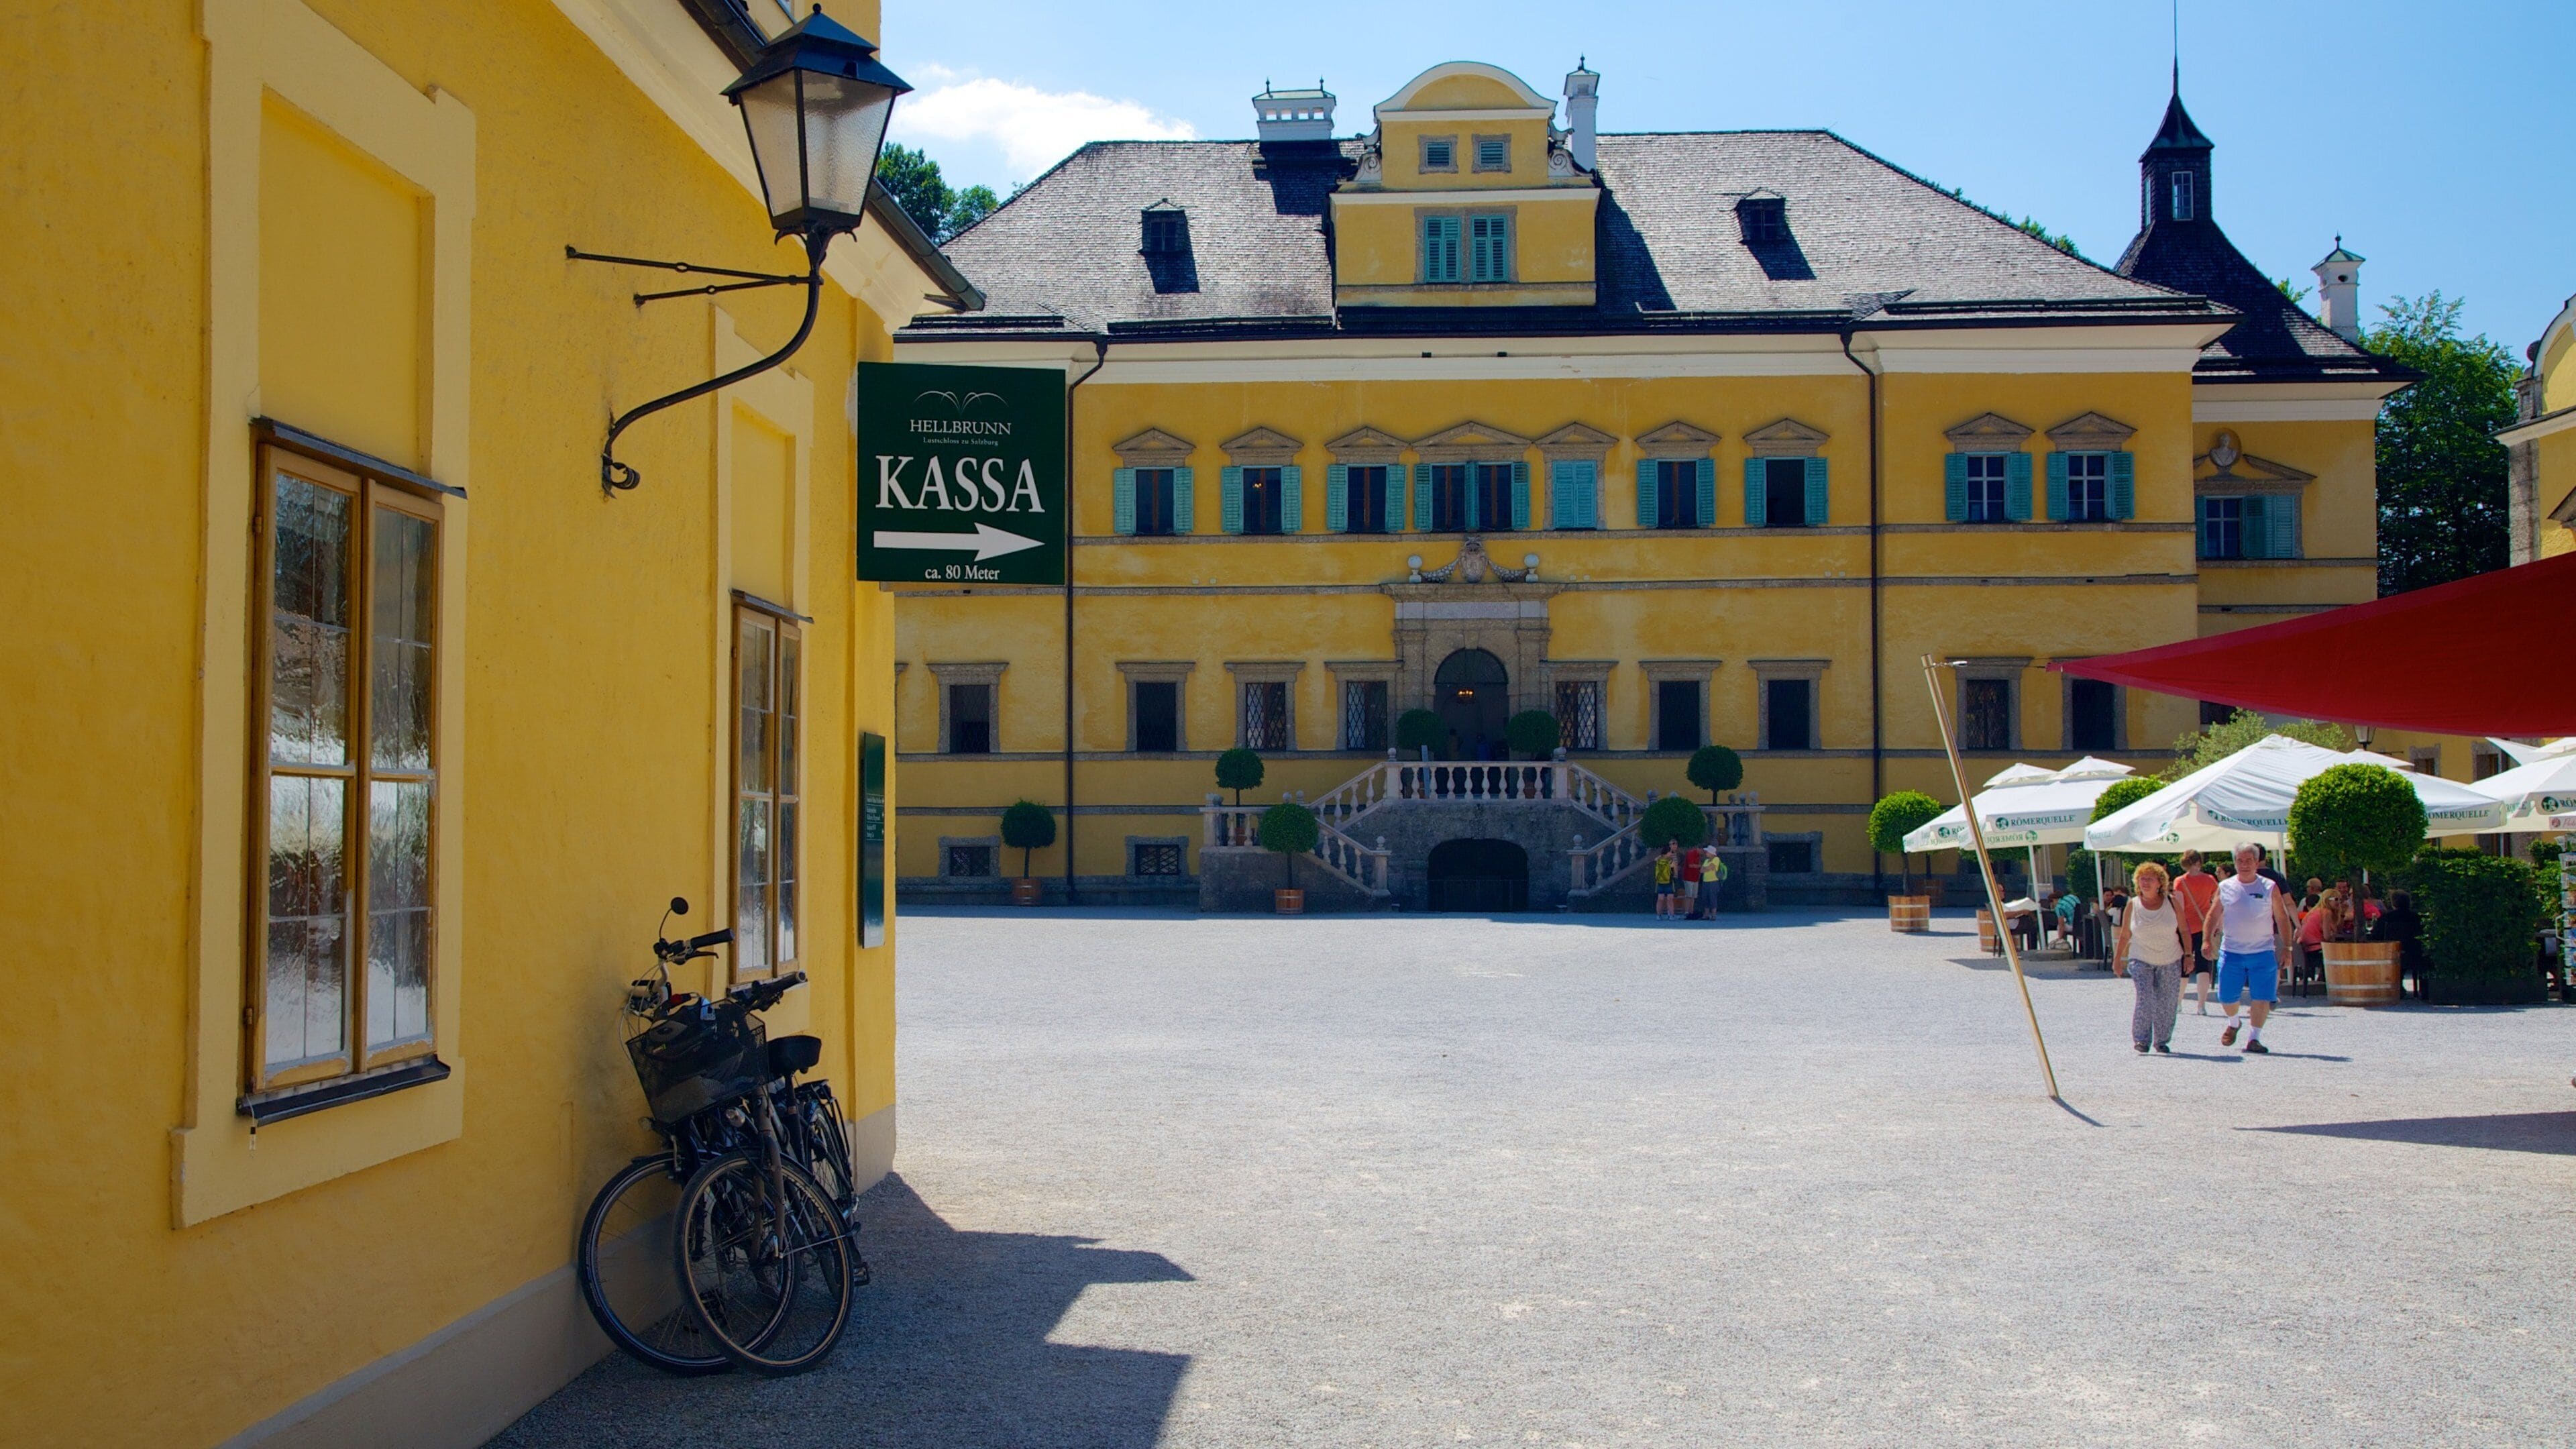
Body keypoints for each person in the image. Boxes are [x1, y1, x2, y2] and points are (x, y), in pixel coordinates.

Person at [2212, 841, 2300, 1053]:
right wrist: (2208, 938)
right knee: (2226, 996)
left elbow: (2283, 913)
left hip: (2263, 950)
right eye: (2240, 860)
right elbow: (2214, 912)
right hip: (2232, 950)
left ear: (2257, 861)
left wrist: (2288, 946)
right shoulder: (2225, 886)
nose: (2244, 864)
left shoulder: (2271, 884)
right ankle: (2234, 1023)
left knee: (2262, 996)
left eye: (2249, 860)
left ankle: (2255, 1038)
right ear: (2234, 862)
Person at [2118, 861, 2192, 1053]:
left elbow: (2184, 930)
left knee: (2167, 1002)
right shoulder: (2132, 905)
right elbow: (2125, 934)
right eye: (2142, 879)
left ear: (2160, 882)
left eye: (2150, 879)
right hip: (2141, 958)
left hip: (2170, 958)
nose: (2145, 883)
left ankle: (2162, 1040)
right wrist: (2117, 959)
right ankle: (2141, 1040)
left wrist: (2189, 955)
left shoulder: (2172, 902)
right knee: (2146, 997)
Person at [2171, 850, 2218, 1015]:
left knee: (2185, 963)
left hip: (2186, 928)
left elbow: (2180, 907)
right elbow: (2217, 903)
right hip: (2204, 926)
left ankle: (2178, 1003)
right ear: (2199, 862)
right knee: (2203, 965)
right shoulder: (2211, 880)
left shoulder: (2180, 881)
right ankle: (2201, 1006)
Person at [1652, 843, 1677, 918]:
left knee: (1660, 899)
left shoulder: (1659, 860)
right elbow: (1675, 870)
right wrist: (1675, 875)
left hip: (1660, 881)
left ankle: (1658, 915)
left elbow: (1655, 859)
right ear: (1668, 852)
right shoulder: (1670, 861)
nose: (1671, 853)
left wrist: (1662, 855)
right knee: (1670, 899)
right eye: (1670, 852)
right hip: (1669, 881)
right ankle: (1671, 915)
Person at [1677, 845, 1702, 920]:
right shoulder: (1691, 853)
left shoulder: (1698, 855)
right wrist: (1701, 866)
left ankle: (1691, 911)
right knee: (1688, 896)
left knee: (1693, 896)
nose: (1703, 853)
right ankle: (1686, 912)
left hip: (1695, 878)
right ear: (1699, 849)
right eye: (1703, 851)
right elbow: (1691, 865)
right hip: (1689, 878)